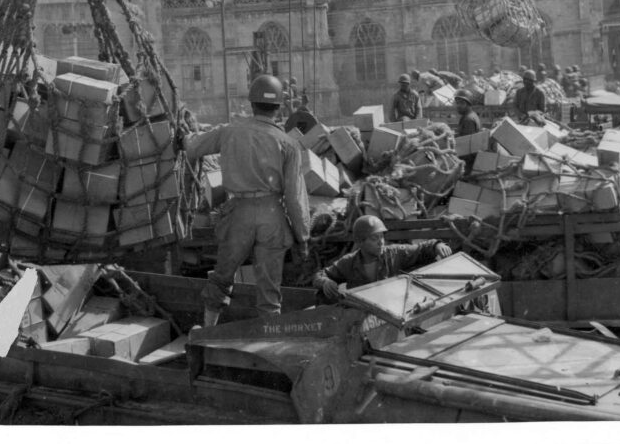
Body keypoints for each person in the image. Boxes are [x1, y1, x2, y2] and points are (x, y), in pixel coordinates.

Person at [186, 74, 311, 325]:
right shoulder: (288, 144)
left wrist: (183, 132)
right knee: (269, 291)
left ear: (251, 104)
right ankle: (269, 341)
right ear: (279, 107)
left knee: (221, 277)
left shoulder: (229, 131)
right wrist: (303, 237)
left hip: (238, 215)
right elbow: (294, 198)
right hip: (272, 217)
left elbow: (191, 148)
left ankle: (208, 332)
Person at [312, 215, 452, 299]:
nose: (381, 242)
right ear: (360, 242)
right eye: (374, 238)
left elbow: (421, 249)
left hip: (391, 310)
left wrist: (437, 246)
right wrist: (325, 282)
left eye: (381, 237)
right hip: (363, 314)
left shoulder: (394, 253)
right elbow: (319, 275)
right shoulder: (349, 262)